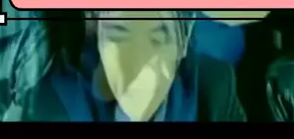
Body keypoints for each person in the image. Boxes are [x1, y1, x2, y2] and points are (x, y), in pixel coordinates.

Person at [25, 11, 254, 121]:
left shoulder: (213, 91)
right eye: (120, 36)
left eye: (157, 39)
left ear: (182, 45)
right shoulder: (53, 108)